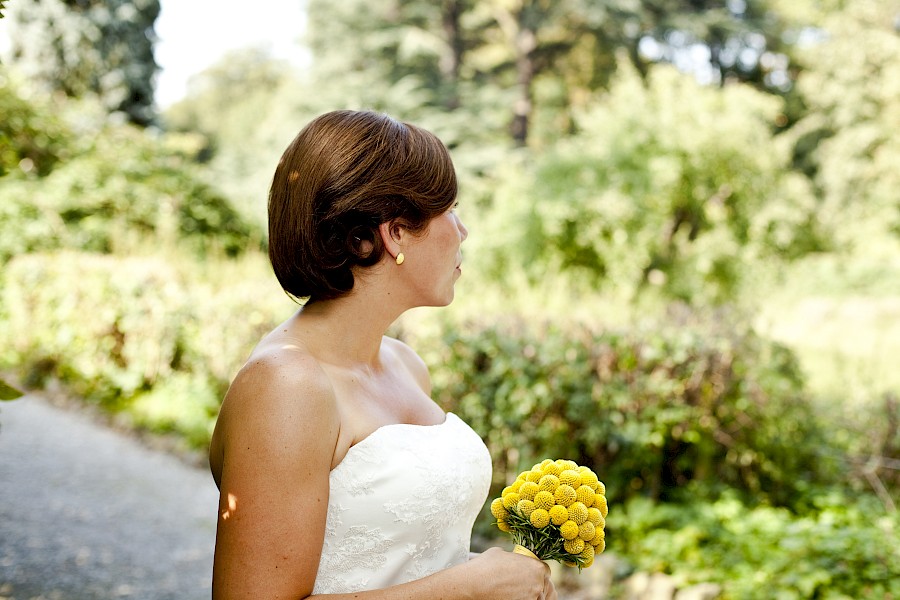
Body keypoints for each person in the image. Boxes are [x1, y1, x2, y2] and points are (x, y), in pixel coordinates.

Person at [208, 109, 556, 599]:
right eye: (449, 210)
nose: (463, 232)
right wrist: (470, 588)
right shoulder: (287, 386)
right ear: (394, 233)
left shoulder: (406, 366)